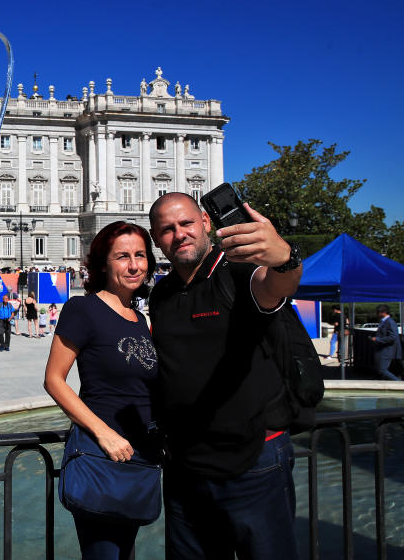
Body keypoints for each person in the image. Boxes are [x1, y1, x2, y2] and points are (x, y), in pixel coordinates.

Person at [148, 192, 303, 559]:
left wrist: (286, 259)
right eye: (167, 230)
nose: (179, 234)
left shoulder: (237, 271)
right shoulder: (163, 293)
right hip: (186, 469)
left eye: (186, 223)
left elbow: (275, 286)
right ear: (156, 239)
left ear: (205, 222)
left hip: (253, 462)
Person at [43, 221, 159, 559]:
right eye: (122, 256)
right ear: (103, 263)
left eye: (140, 255)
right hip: (101, 453)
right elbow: (54, 379)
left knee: (125, 552)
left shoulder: (140, 320)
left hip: (139, 454)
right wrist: (103, 432)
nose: (134, 264)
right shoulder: (84, 309)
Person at [370, 304, 402, 381]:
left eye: (378, 312)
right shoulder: (383, 322)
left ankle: (399, 384)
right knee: (380, 369)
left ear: (383, 312)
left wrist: (378, 339)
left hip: (387, 350)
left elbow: (393, 337)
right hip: (382, 349)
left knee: (382, 370)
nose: (377, 314)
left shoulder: (390, 322)